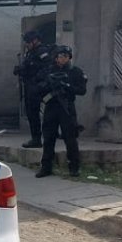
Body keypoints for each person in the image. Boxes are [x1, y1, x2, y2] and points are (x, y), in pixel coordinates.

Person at [35, 45, 87, 178]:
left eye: (65, 56)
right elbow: (37, 86)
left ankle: (74, 168)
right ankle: (46, 167)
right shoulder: (48, 70)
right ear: (56, 57)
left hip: (66, 107)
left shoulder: (75, 71)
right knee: (48, 138)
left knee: (70, 138)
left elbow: (82, 90)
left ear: (69, 57)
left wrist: (67, 86)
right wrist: (48, 85)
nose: (62, 58)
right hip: (51, 107)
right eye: (60, 56)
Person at [15, 31, 54, 148]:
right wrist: (20, 70)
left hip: (38, 87)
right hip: (30, 87)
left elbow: (47, 68)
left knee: (39, 114)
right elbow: (28, 67)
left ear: (35, 40)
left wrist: (37, 80)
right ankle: (35, 138)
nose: (27, 44)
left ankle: (40, 138)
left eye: (28, 42)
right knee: (32, 114)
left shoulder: (42, 52)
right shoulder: (30, 53)